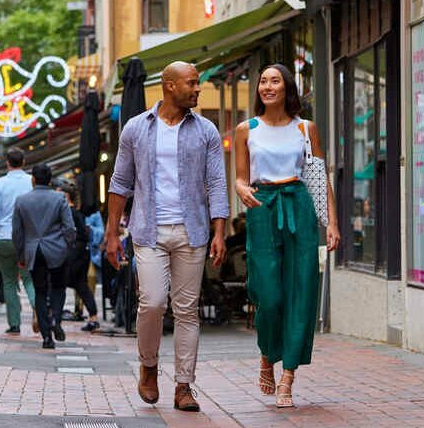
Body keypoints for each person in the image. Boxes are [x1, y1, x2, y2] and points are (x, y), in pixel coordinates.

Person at [105, 61, 228, 413]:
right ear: (170, 86)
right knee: (154, 302)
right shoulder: (135, 129)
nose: (197, 88)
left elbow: (217, 183)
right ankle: (148, 366)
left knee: (187, 311)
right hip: (148, 230)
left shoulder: (205, 130)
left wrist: (220, 230)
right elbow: (119, 183)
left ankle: (184, 386)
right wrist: (113, 233)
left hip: (193, 232)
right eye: (192, 83)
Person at [234, 63, 341, 408]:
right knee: (269, 294)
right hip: (262, 207)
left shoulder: (306, 129)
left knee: (301, 292)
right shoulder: (245, 129)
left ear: (287, 87)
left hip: (300, 206)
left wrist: (333, 224)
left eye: (274, 80)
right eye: (263, 81)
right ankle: (268, 353)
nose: (267, 86)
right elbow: (240, 177)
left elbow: (318, 177)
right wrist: (241, 191)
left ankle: (288, 377)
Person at [13, 164, 75, 349]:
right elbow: (69, 226)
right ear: (50, 179)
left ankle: (46, 336)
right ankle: (56, 318)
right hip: (57, 249)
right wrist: (68, 245)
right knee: (58, 287)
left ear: (33, 179)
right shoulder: (59, 199)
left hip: (33, 250)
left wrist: (21, 253)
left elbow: (17, 232)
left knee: (39, 292)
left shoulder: (21, 201)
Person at [0, 147, 38, 335]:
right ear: (23, 162)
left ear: (7, 162)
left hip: (5, 237)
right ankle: (38, 309)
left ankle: (14, 323)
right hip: (27, 238)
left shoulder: (0, 183)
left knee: (8, 281)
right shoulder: (31, 181)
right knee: (29, 278)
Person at [57, 180, 99, 332]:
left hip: (74, 253)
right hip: (81, 252)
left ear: (66, 196)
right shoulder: (76, 213)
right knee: (81, 286)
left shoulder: (69, 212)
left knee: (59, 283)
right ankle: (93, 317)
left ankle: (54, 316)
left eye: (59, 194)